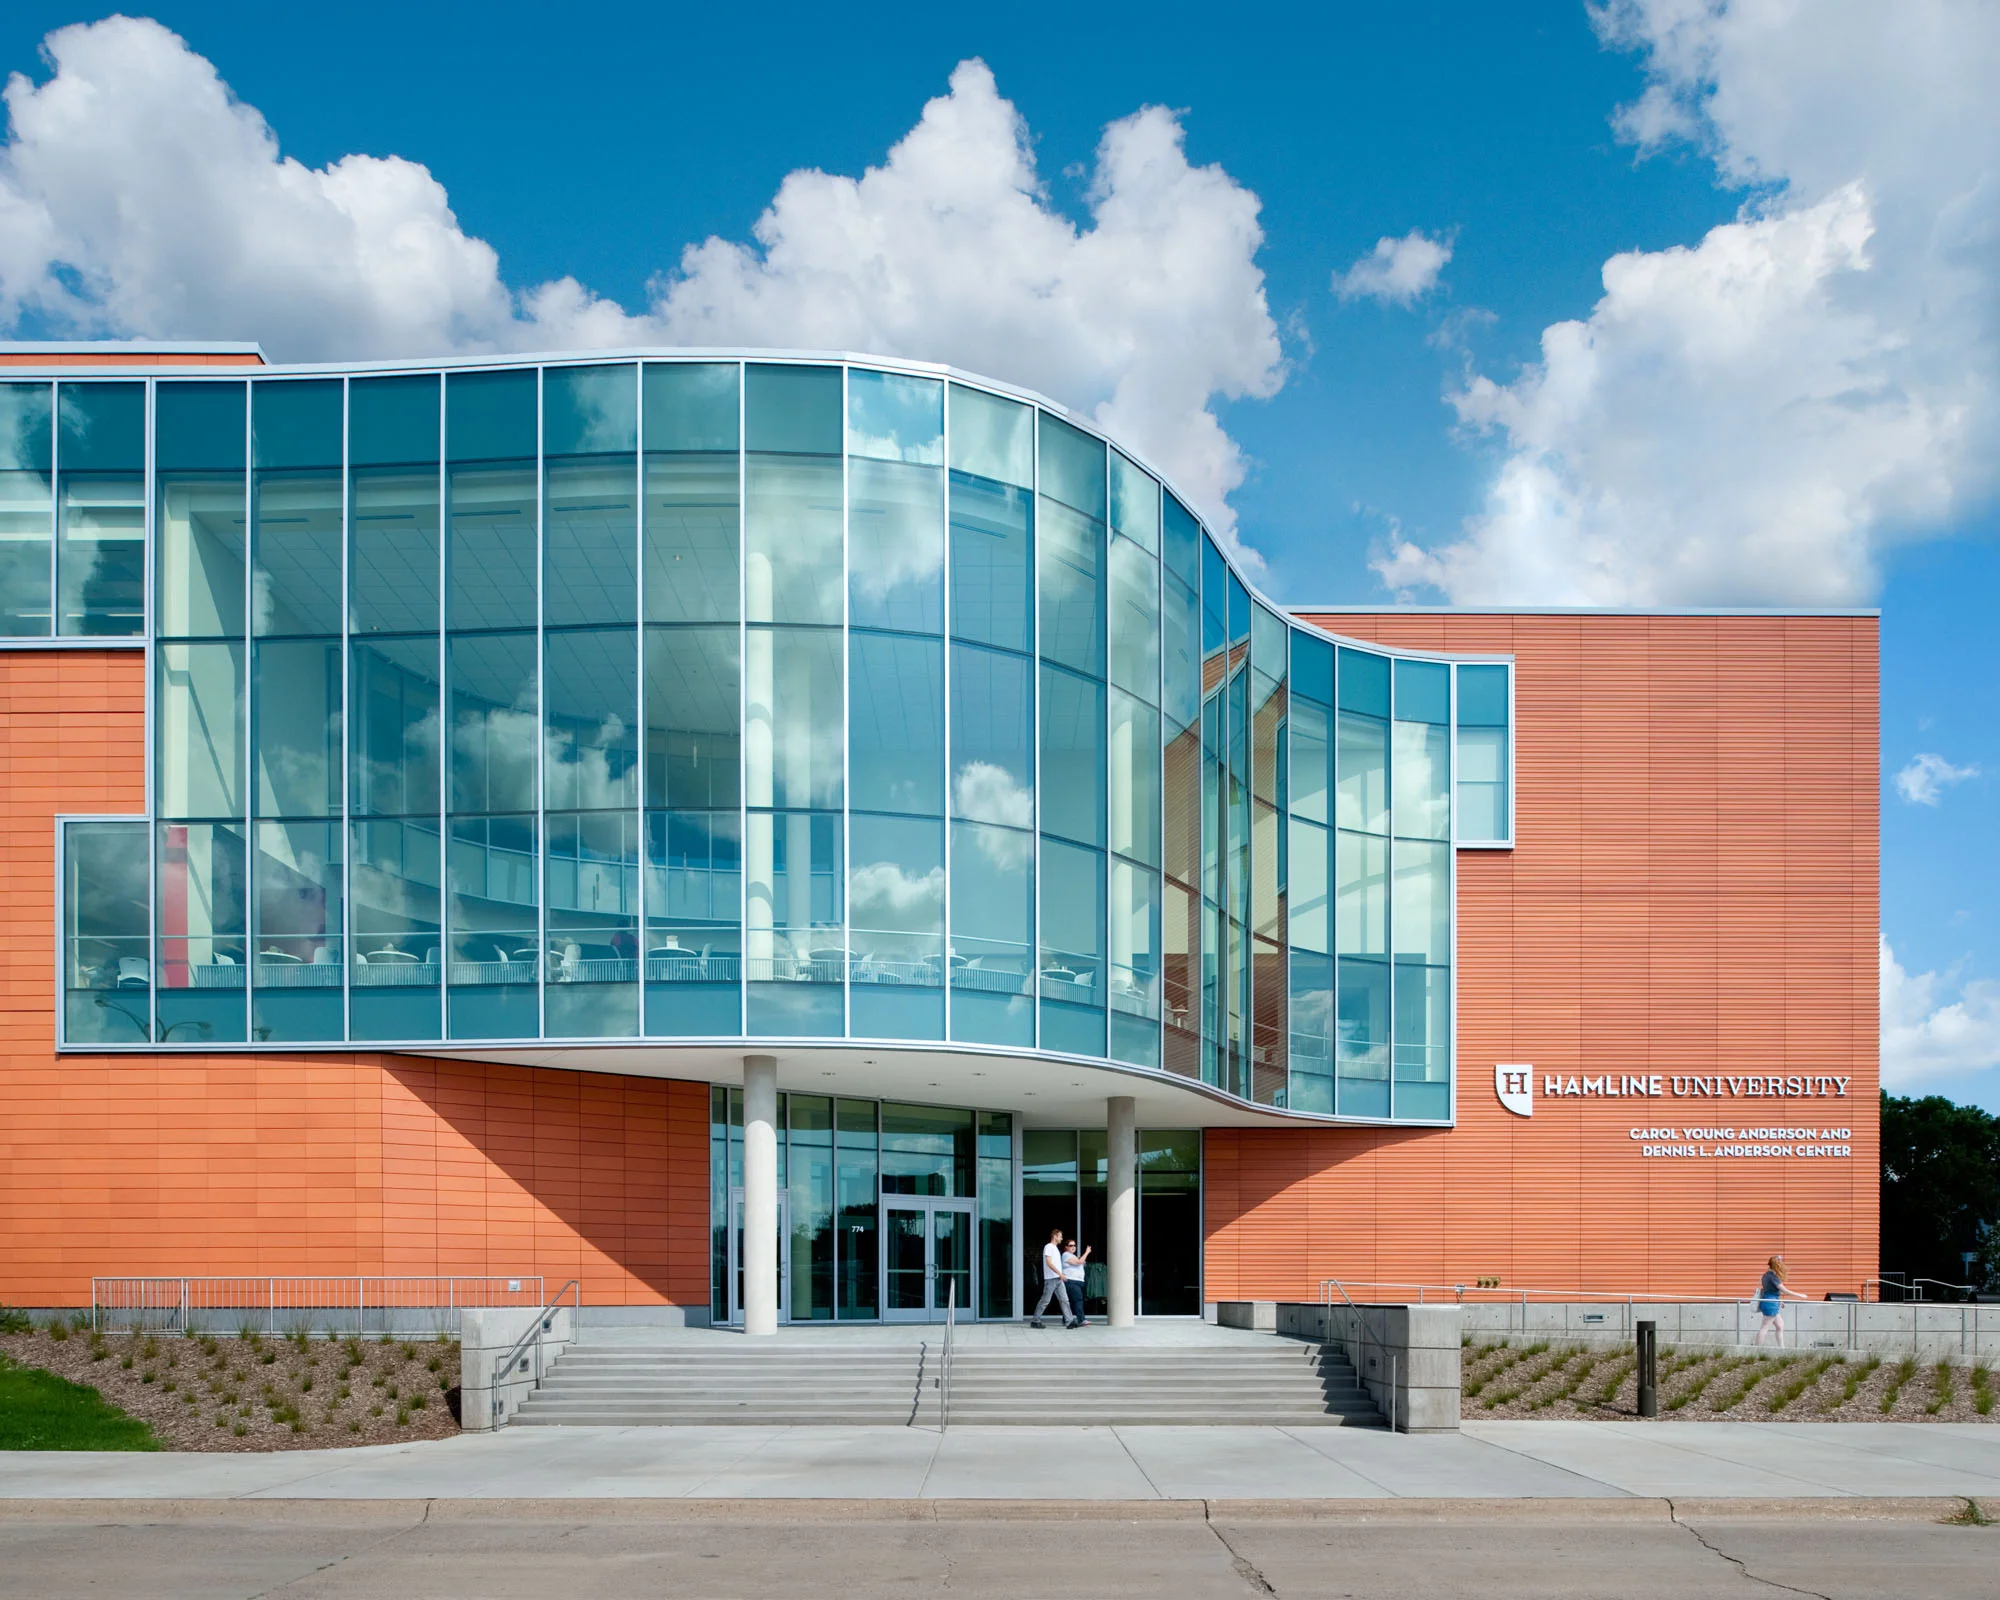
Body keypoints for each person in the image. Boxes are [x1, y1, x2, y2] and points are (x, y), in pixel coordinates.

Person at [1031, 1227, 1075, 1328]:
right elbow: (1049, 1263)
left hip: (1058, 1279)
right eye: (1060, 1236)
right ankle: (1035, 1320)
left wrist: (1060, 1275)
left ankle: (1069, 1321)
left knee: (1065, 1300)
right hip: (1051, 1279)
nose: (1061, 1238)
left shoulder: (1055, 1249)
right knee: (1045, 1300)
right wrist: (1060, 1274)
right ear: (1055, 1236)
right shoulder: (1049, 1247)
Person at [1754, 1254, 1792, 1346]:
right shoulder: (1773, 1277)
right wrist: (1800, 1295)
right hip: (1771, 1304)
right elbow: (1784, 1290)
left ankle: (1782, 1348)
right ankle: (1756, 1350)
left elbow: (1769, 1290)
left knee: (1780, 1326)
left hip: (1770, 1302)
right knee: (1764, 1327)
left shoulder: (1765, 1275)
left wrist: (1779, 1301)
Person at [1062, 1238, 1092, 1328]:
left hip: (1077, 1282)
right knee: (1078, 1300)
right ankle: (1081, 1319)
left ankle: (1066, 1319)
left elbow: (1080, 1262)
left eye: (1074, 1245)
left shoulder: (1073, 1256)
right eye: (1071, 1245)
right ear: (1066, 1247)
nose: (1073, 1247)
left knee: (1071, 1301)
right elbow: (1079, 1262)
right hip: (1072, 1281)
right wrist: (1087, 1252)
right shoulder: (1066, 1255)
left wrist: (1081, 1261)